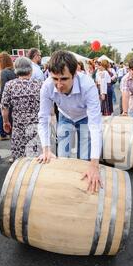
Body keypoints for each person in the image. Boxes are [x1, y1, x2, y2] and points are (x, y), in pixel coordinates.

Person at [37, 50, 102, 193]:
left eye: (64, 79)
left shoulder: (88, 86)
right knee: (62, 156)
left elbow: (95, 125)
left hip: (84, 117)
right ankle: (64, 191)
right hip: (65, 115)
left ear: (74, 74)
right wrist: (46, 149)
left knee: (85, 158)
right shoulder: (47, 86)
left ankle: (83, 193)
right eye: (55, 79)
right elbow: (43, 118)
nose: (59, 85)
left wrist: (94, 164)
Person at [1, 57, 42, 162]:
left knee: (20, 158)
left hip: (19, 127)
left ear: (16, 69)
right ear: (30, 69)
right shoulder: (39, 84)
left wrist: (6, 122)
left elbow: (4, 106)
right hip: (36, 126)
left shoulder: (10, 85)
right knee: (36, 157)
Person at [0, 52, 17, 141]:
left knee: (11, 130)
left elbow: (3, 91)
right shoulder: (15, 71)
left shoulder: (4, 73)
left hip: (9, 105)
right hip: (17, 103)